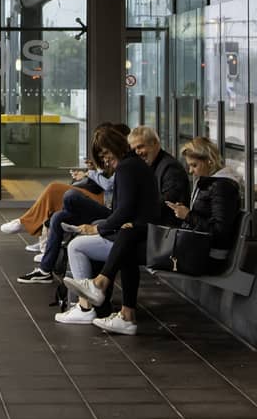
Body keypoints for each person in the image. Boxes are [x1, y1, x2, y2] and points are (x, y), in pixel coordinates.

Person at [65, 135, 243, 333]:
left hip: (205, 256)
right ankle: (112, 301)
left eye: (194, 165)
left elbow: (220, 232)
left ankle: (112, 299)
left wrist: (188, 215)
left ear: (208, 161)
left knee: (128, 244)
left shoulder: (222, 187)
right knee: (129, 231)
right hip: (196, 247)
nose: (191, 171)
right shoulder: (212, 184)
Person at [18, 125, 159, 286]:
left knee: (76, 243)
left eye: (106, 154)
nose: (105, 160)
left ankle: (86, 302)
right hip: (127, 226)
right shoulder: (130, 165)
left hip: (131, 229)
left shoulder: (127, 167)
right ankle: (46, 268)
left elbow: (123, 208)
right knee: (59, 216)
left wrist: (98, 229)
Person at [0, 121, 128, 238]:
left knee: (55, 189)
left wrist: (91, 173)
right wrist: (91, 171)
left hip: (104, 201)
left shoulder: (124, 164)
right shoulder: (116, 162)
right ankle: (36, 230)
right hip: (100, 196)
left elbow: (109, 185)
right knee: (57, 198)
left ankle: (26, 223)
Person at [130, 125, 190, 209]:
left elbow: (167, 203)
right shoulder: (149, 165)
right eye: (134, 149)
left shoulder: (171, 168)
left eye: (140, 147)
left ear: (154, 143)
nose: (137, 152)